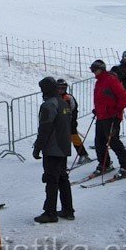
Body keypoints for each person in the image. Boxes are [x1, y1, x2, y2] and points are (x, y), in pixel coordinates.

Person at [33, 77, 74, 223]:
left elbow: (45, 129)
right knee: (62, 178)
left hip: (53, 147)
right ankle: (68, 210)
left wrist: (38, 147)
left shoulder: (49, 105)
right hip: (63, 146)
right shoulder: (64, 102)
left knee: (51, 179)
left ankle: (50, 213)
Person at [91, 59, 126, 177]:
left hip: (112, 116)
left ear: (102, 69)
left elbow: (124, 97)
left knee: (113, 141)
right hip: (101, 116)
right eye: (92, 70)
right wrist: (97, 109)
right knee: (99, 142)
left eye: (95, 70)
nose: (94, 72)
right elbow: (102, 98)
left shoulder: (111, 79)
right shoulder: (99, 81)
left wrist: (116, 110)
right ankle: (104, 163)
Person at [57, 78, 91, 163]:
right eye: (59, 88)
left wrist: (73, 121)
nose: (61, 90)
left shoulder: (69, 98)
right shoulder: (54, 98)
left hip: (69, 123)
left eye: (63, 88)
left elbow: (74, 110)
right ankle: (59, 157)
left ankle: (83, 154)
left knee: (74, 138)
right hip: (58, 123)